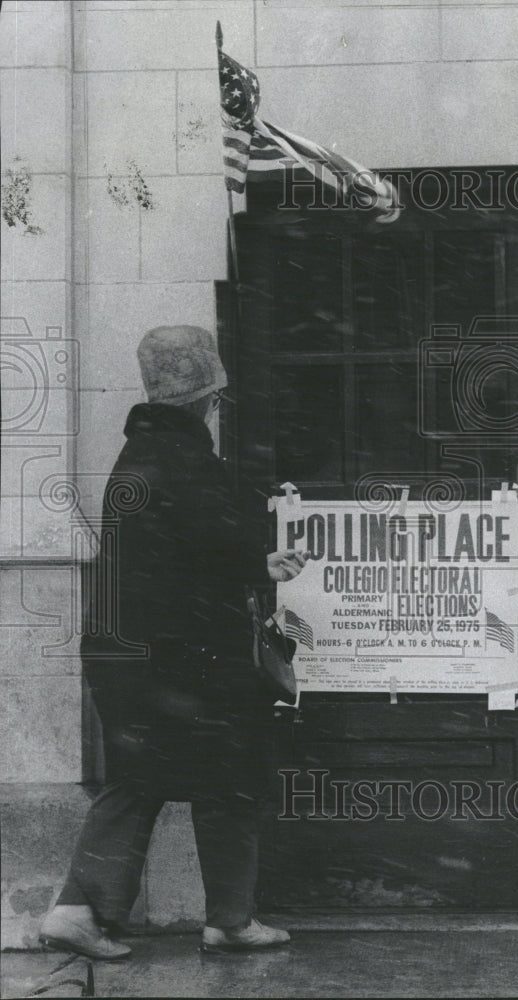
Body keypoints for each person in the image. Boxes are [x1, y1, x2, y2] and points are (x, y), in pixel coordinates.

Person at [39, 325, 308, 959]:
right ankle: (229, 919)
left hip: (128, 651)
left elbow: (171, 552)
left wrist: (247, 558)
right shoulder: (188, 459)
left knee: (137, 778)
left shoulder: (136, 459)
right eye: (215, 398)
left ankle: (83, 910)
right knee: (234, 776)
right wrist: (262, 558)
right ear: (205, 398)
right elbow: (212, 542)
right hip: (186, 657)